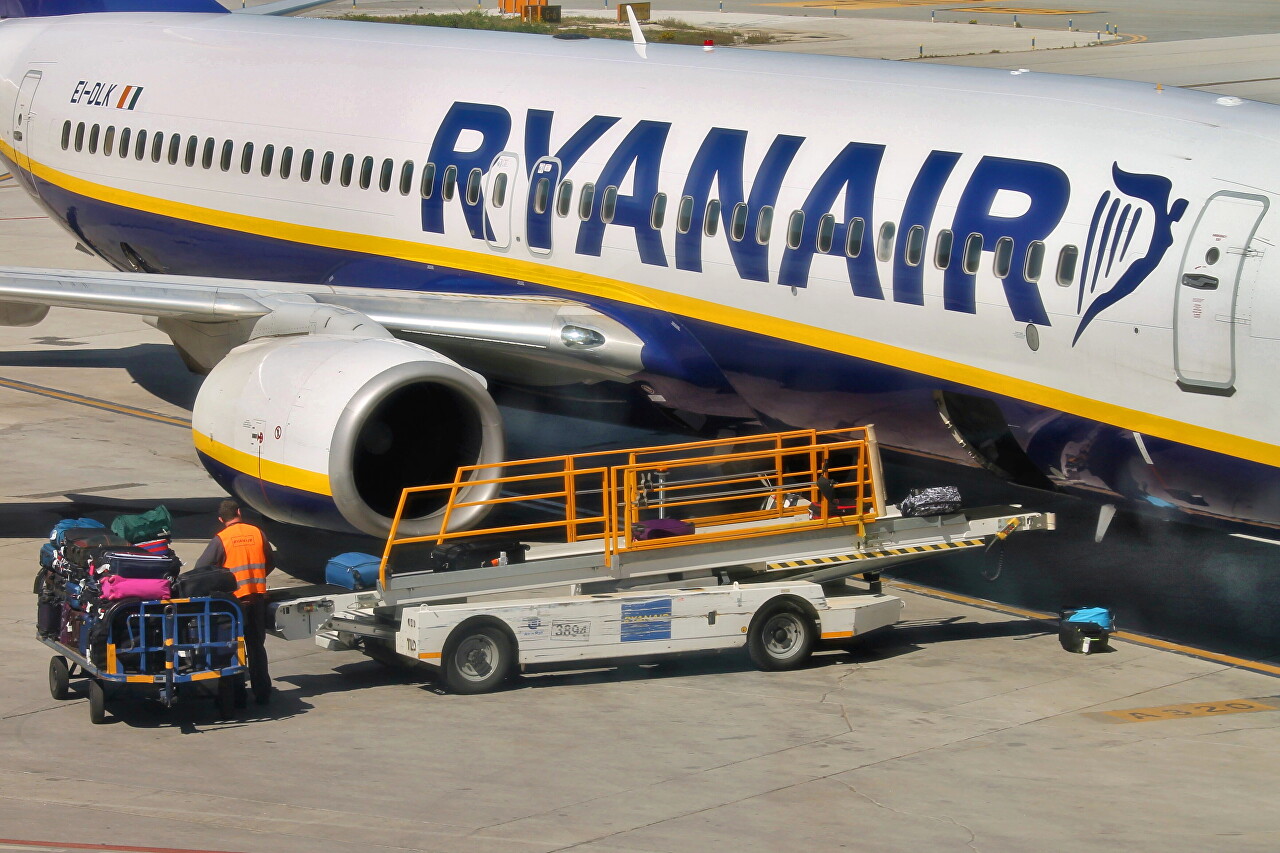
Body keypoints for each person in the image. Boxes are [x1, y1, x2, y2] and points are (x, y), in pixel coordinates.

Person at [195, 499, 274, 705]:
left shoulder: (222, 539)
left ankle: (238, 694)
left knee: (233, 647)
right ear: (239, 512)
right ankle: (263, 691)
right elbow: (270, 561)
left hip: (233, 604)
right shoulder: (257, 533)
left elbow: (201, 568)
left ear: (221, 519)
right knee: (256, 647)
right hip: (256, 598)